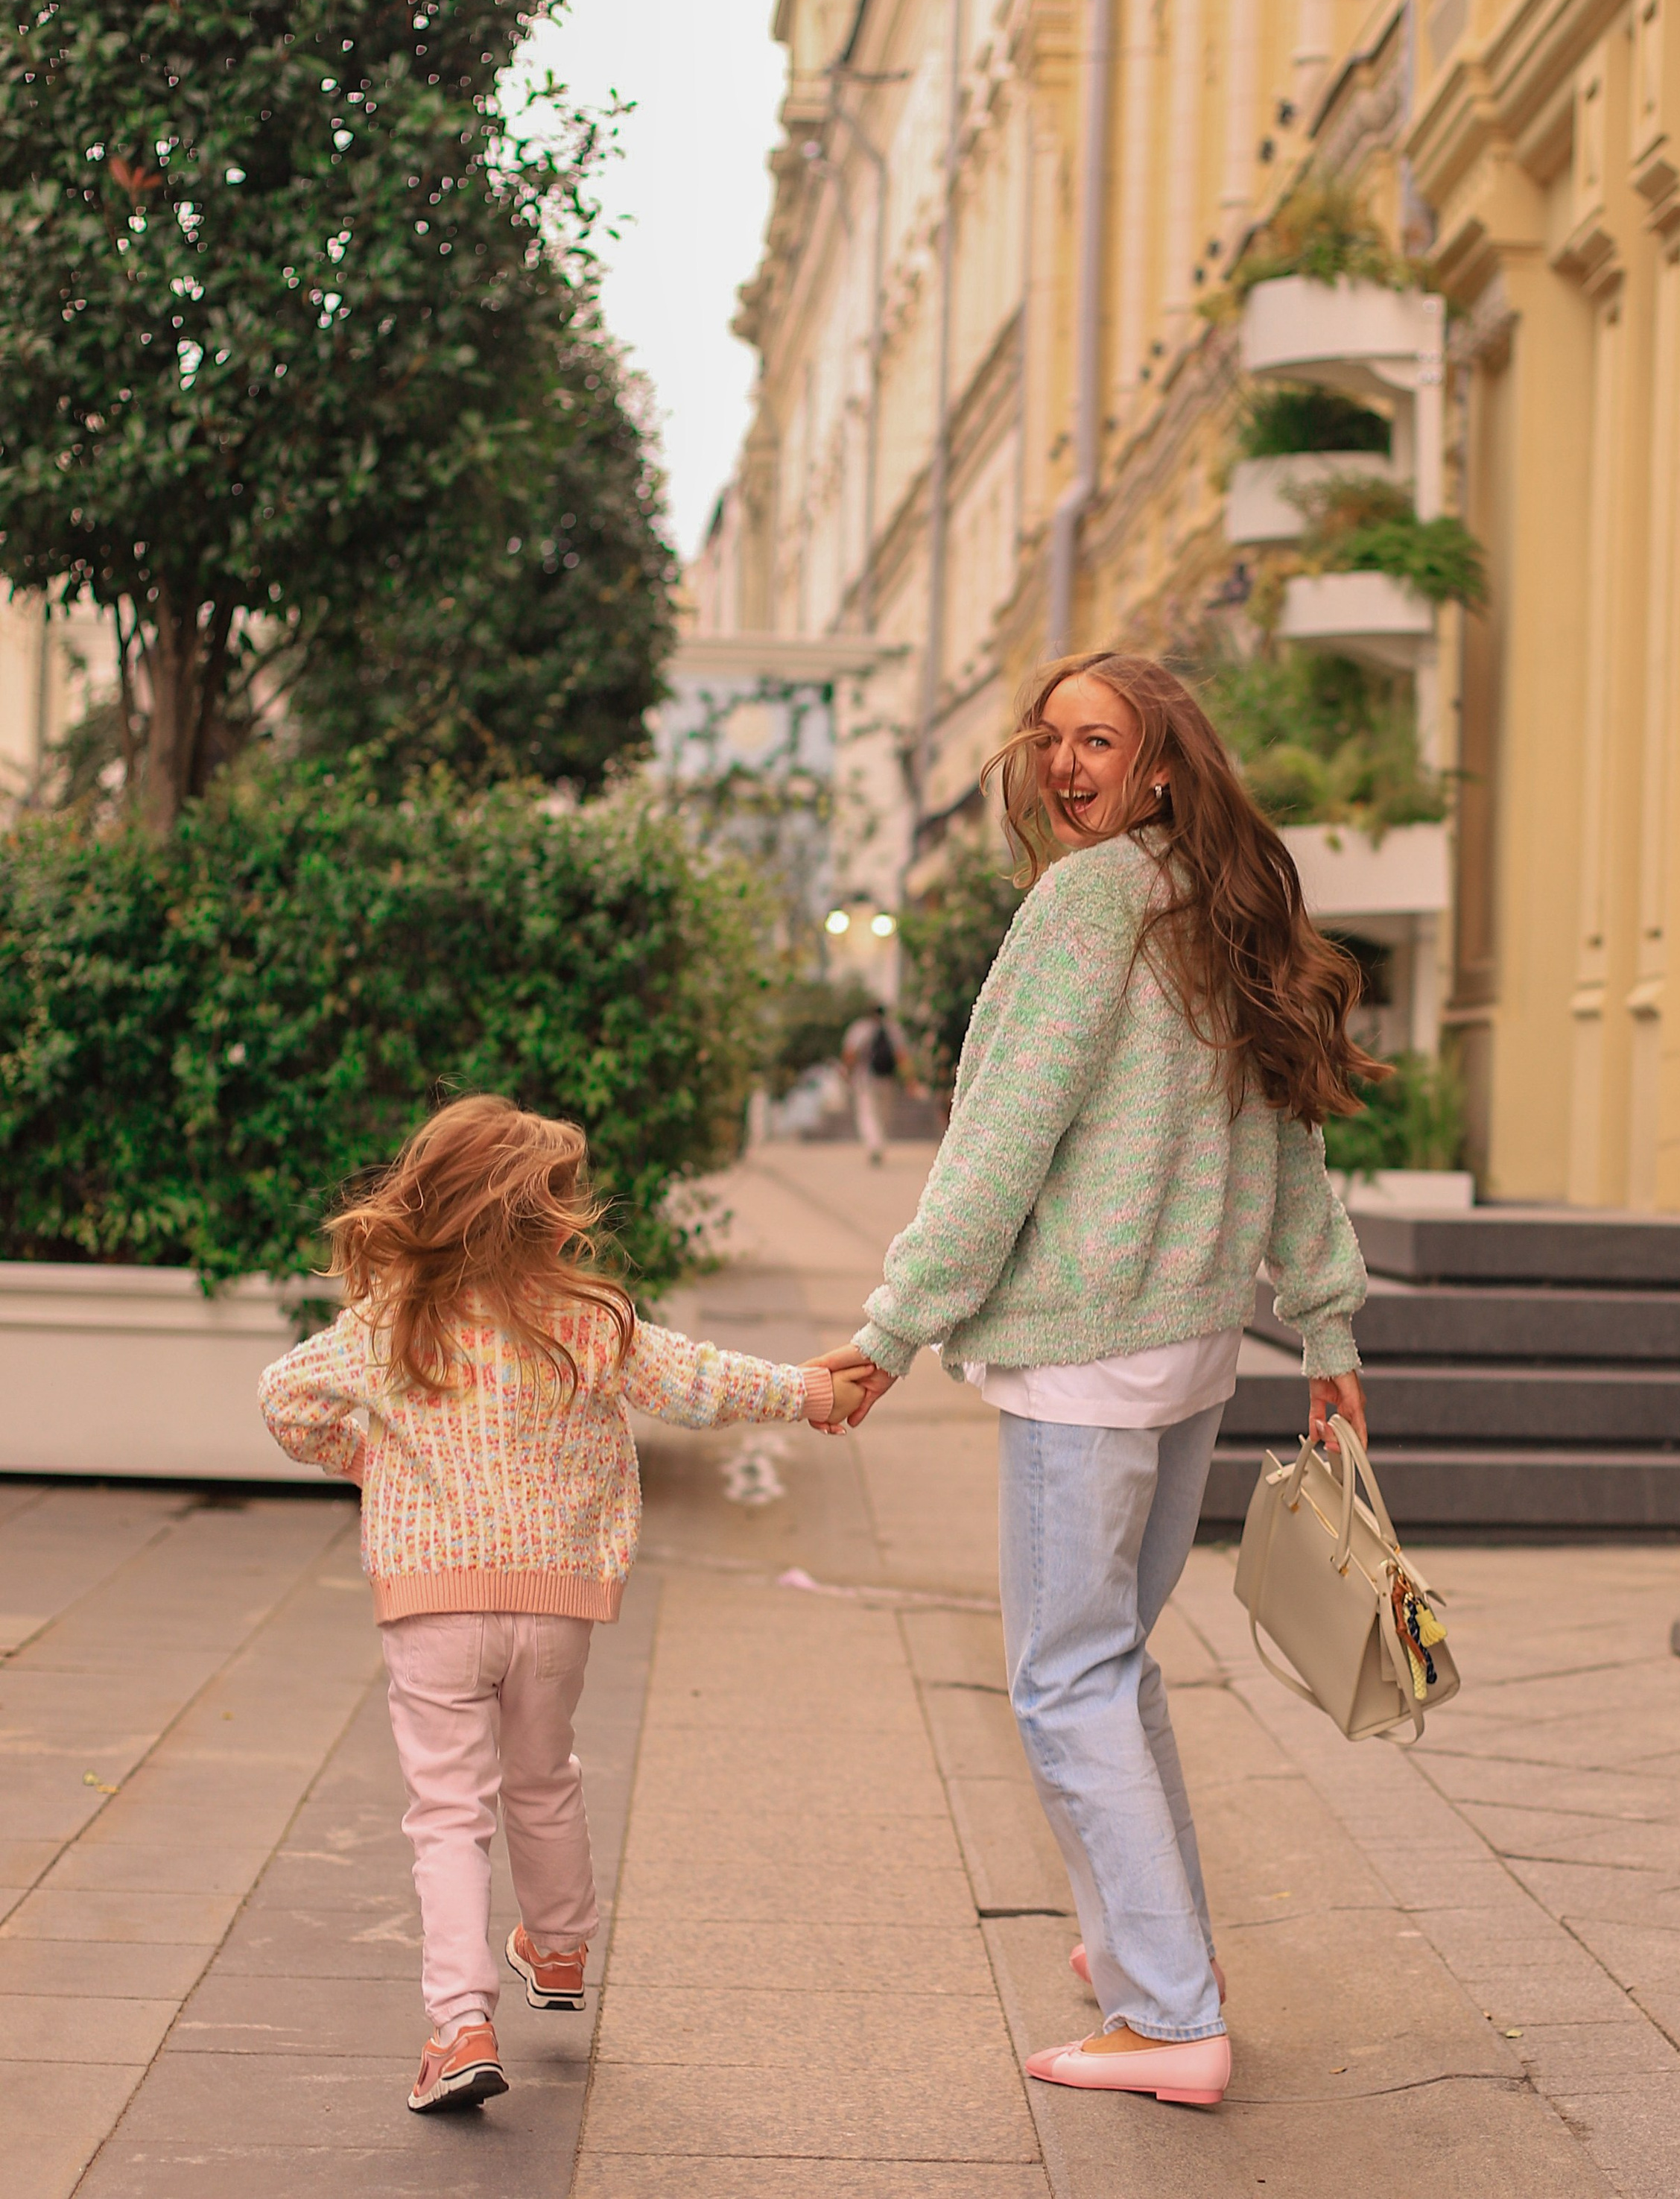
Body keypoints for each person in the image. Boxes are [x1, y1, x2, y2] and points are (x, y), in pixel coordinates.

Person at [815, 649, 1378, 2110]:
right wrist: (1321, 1327)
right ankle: (1142, 1943)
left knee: (1062, 1682)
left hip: (1085, 1354)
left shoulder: (1085, 905)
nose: (1064, 764)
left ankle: (1168, 2011)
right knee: (1106, 1667)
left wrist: (888, 1329)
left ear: (1162, 766)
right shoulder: (1216, 909)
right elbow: (1288, 1134)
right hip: (1188, 1353)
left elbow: (1000, 1138)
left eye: (1099, 741)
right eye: (1048, 738)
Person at [259, 1093, 869, 2116]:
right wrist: (815, 1391)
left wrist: (368, 1457)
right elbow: (701, 1382)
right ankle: (561, 1950)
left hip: (431, 1601)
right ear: (545, 1218)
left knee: (447, 1813)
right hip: (555, 1601)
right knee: (543, 1775)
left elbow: (285, 1397)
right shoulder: (591, 1320)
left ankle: (459, 2025)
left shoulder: (391, 1321)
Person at [839, 1004, 903, 1165]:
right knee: (884, 1115)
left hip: (866, 1079)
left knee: (867, 1114)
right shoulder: (893, 1030)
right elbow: (901, 1055)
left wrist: (847, 1073)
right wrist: (909, 1080)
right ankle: (879, 1144)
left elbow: (850, 1053)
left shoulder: (860, 1029)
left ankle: (874, 1145)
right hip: (887, 1079)